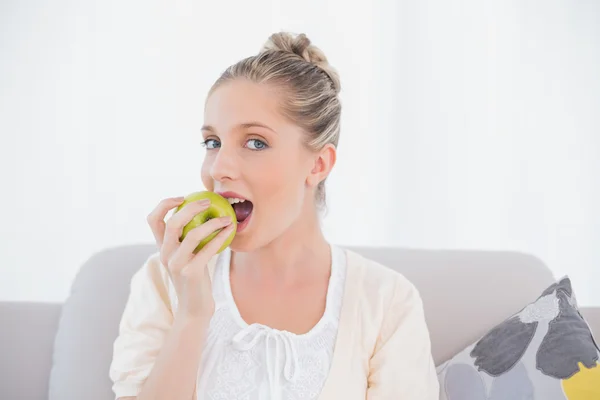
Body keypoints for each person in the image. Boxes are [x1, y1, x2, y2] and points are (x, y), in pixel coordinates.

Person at [109, 32, 439, 400]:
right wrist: (192, 312)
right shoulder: (163, 280)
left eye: (255, 142)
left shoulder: (386, 302)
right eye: (212, 143)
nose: (219, 168)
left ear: (318, 164)